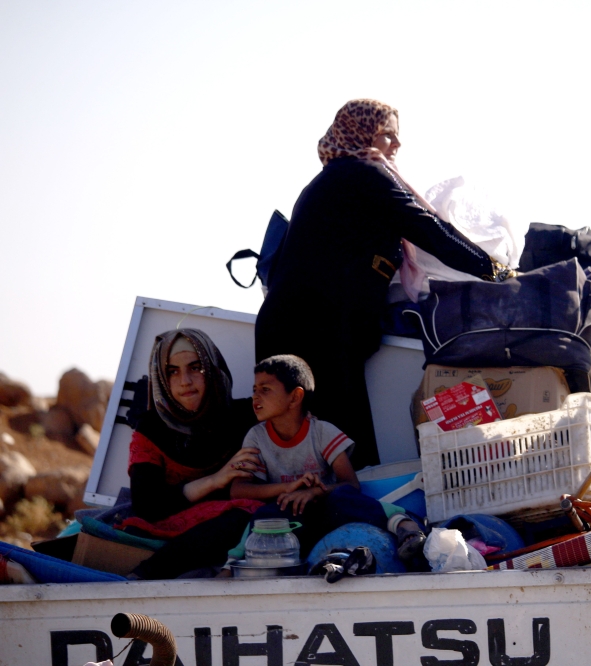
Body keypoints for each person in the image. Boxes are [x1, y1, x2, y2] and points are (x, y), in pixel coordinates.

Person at [255, 98, 509, 471]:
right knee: (344, 445)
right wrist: (496, 272)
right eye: (389, 134)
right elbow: (428, 228)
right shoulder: (362, 173)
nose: (397, 145)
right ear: (363, 134)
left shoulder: (339, 178)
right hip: (313, 331)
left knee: (315, 446)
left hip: (306, 327)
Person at [232, 354, 426, 561]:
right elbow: (238, 489)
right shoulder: (256, 437)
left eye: (265, 389)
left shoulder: (322, 432)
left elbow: (350, 483)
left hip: (328, 511)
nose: (255, 397)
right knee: (264, 516)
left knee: (342, 498)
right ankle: (230, 565)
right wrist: (287, 489)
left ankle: (405, 524)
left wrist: (315, 492)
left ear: (295, 397)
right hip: (292, 519)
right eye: (255, 390)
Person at [120, 329, 264, 579]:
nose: (185, 380)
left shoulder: (247, 417)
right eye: (172, 372)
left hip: (230, 527)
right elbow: (147, 506)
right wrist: (214, 480)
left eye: (196, 367)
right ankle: (143, 577)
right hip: (166, 525)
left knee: (253, 514)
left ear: (213, 368)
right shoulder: (152, 428)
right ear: (160, 378)